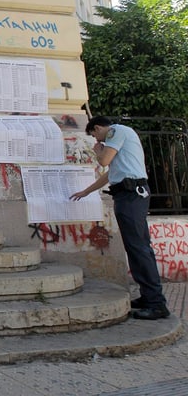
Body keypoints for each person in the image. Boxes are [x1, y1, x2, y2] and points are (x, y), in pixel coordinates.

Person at [70, 116, 169, 320]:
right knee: (136, 247)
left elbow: (104, 161)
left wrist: (98, 151)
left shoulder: (115, 131)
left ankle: (156, 303)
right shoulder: (120, 138)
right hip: (129, 195)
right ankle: (149, 296)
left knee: (139, 248)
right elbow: (110, 174)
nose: (97, 139)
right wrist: (86, 191)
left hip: (132, 195)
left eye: (95, 135)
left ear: (97, 128)